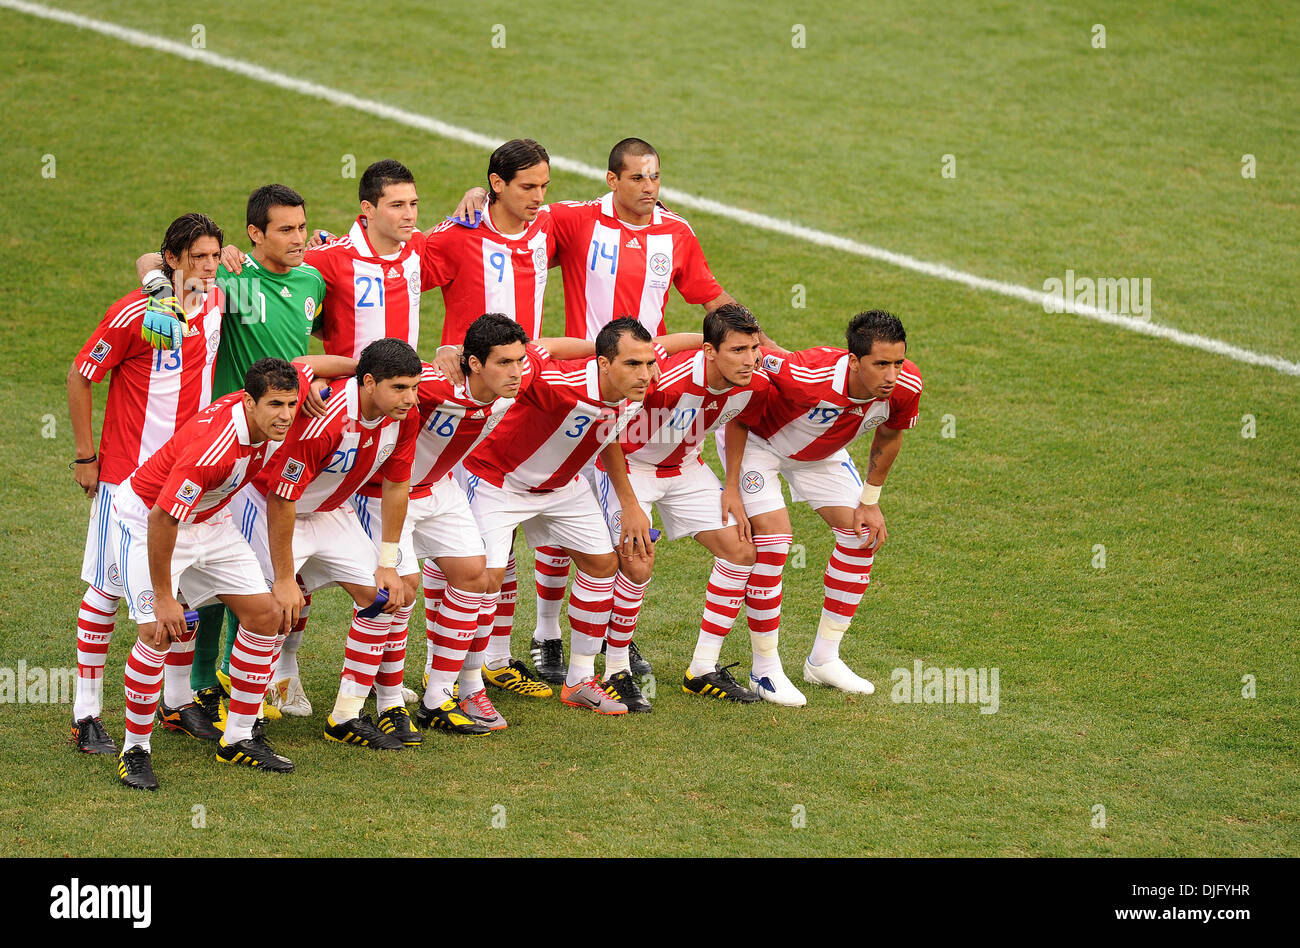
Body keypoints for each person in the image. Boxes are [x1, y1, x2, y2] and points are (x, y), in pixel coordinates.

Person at [136, 184, 328, 724]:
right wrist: (157, 288)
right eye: (284, 229)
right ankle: (198, 683)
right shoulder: (235, 280)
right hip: (230, 445)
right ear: (253, 234)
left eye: (301, 227)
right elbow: (155, 258)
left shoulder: (313, 276)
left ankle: (242, 679)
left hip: (281, 446)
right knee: (221, 581)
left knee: (263, 575)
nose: (297, 239)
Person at [348, 314, 596, 731]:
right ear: (475, 364)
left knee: (475, 577)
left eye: (519, 361)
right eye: (504, 363)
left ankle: (439, 695)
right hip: (385, 492)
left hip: (440, 490)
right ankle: (386, 702)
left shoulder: (512, 377)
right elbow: (375, 384)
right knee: (399, 594)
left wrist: (604, 350)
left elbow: (548, 346)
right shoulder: (433, 385)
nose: (517, 371)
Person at [69, 213, 225, 755]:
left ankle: (176, 702)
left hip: (186, 480)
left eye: (213, 256)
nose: (206, 268)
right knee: (107, 591)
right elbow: (79, 376)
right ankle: (85, 713)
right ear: (173, 260)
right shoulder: (135, 313)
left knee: (177, 590)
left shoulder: (219, 302)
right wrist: (86, 456)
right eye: (197, 258)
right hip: (126, 481)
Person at [108, 358, 304, 790]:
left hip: (210, 520)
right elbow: (163, 518)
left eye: (291, 404)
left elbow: (310, 366)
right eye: (275, 405)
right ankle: (134, 750)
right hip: (148, 519)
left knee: (265, 616)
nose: (287, 415)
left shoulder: (280, 405)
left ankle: (238, 738)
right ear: (249, 402)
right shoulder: (213, 446)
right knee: (157, 631)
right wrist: (164, 596)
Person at [461, 318, 674, 714]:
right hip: (498, 481)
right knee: (484, 579)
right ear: (603, 364)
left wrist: (629, 504)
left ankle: (579, 680)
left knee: (603, 563)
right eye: (633, 364)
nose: (645, 374)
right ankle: (469, 684)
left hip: (562, 487)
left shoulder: (634, 386)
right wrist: (453, 358)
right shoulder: (553, 383)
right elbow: (525, 356)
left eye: (648, 364)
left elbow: (605, 435)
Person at [718, 310, 923, 697]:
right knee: (775, 544)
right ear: (853, 361)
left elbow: (891, 434)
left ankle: (824, 659)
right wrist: (731, 485)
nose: (892, 375)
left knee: (862, 536)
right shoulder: (804, 373)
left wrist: (870, 500)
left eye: (898, 361)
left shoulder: (906, 385)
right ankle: (764, 670)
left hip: (822, 455)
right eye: (880, 364)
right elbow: (747, 387)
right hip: (761, 445)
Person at [236, 338, 422, 749]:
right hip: (270, 505)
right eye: (399, 388)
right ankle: (240, 724)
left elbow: (396, 485)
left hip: (331, 511)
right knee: (269, 611)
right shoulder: (328, 419)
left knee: (385, 596)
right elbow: (283, 499)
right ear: (369, 383)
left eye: (414, 387)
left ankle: (345, 715)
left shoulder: (405, 416)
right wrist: (286, 578)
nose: (410, 398)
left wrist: (388, 561)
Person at [593, 304, 773, 710]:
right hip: (630, 467)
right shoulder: (663, 381)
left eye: (753, 348)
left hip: (687, 467)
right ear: (710, 352)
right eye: (738, 351)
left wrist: (731, 487)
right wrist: (630, 503)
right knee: (637, 561)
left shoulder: (753, 382)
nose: (750, 360)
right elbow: (608, 433)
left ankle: (702, 669)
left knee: (742, 551)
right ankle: (615, 669)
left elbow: (739, 420)